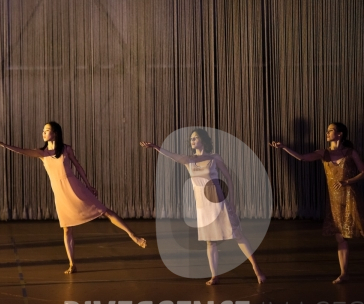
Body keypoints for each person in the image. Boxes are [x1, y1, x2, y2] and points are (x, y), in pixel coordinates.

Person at [0, 121, 146, 274]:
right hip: (60, 192)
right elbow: (22, 151)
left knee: (105, 211)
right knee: (66, 230)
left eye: (47, 130)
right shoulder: (42, 153)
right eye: (43, 130)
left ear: (55, 133)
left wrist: (89, 185)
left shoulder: (66, 149)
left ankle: (134, 236)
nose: (43, 133)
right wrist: (3, 144)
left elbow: (78, 167)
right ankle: (72, 264)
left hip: (75, 187)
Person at [141, 129, 266, 284]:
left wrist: (232, 201)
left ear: (203, 140)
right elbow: (172, 156)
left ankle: (256, 268)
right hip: (203, 206)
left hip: (219, 202)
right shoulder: (189, 160)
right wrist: (156, 147)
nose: (192, 140)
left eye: (196, 137)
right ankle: (215, 275)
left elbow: (228, 178)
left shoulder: (214, 157)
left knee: (238, 234)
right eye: (191, 139)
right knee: (210, 241)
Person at [270, 122, 364, 283]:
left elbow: (363, 171)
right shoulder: (324, 153)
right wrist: (284, 147)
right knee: (341, 238)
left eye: (331, 130)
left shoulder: (350, 152)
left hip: (350, 198)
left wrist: (347, 181)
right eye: (327, 131)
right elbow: (301, 157)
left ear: (340, 134)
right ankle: (344, 273)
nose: (327, 133)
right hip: (334, 202)